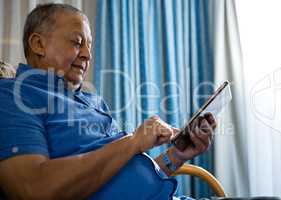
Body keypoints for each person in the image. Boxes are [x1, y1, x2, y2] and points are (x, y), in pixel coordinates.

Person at [0, 3, 216, 200]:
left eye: (89, 47)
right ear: (38, 44)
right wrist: (132, 142)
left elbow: (119, 175)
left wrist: (177, 155)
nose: (87, 55)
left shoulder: (91, 101)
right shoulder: (13, 96)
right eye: (77, 42)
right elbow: (33, 189)